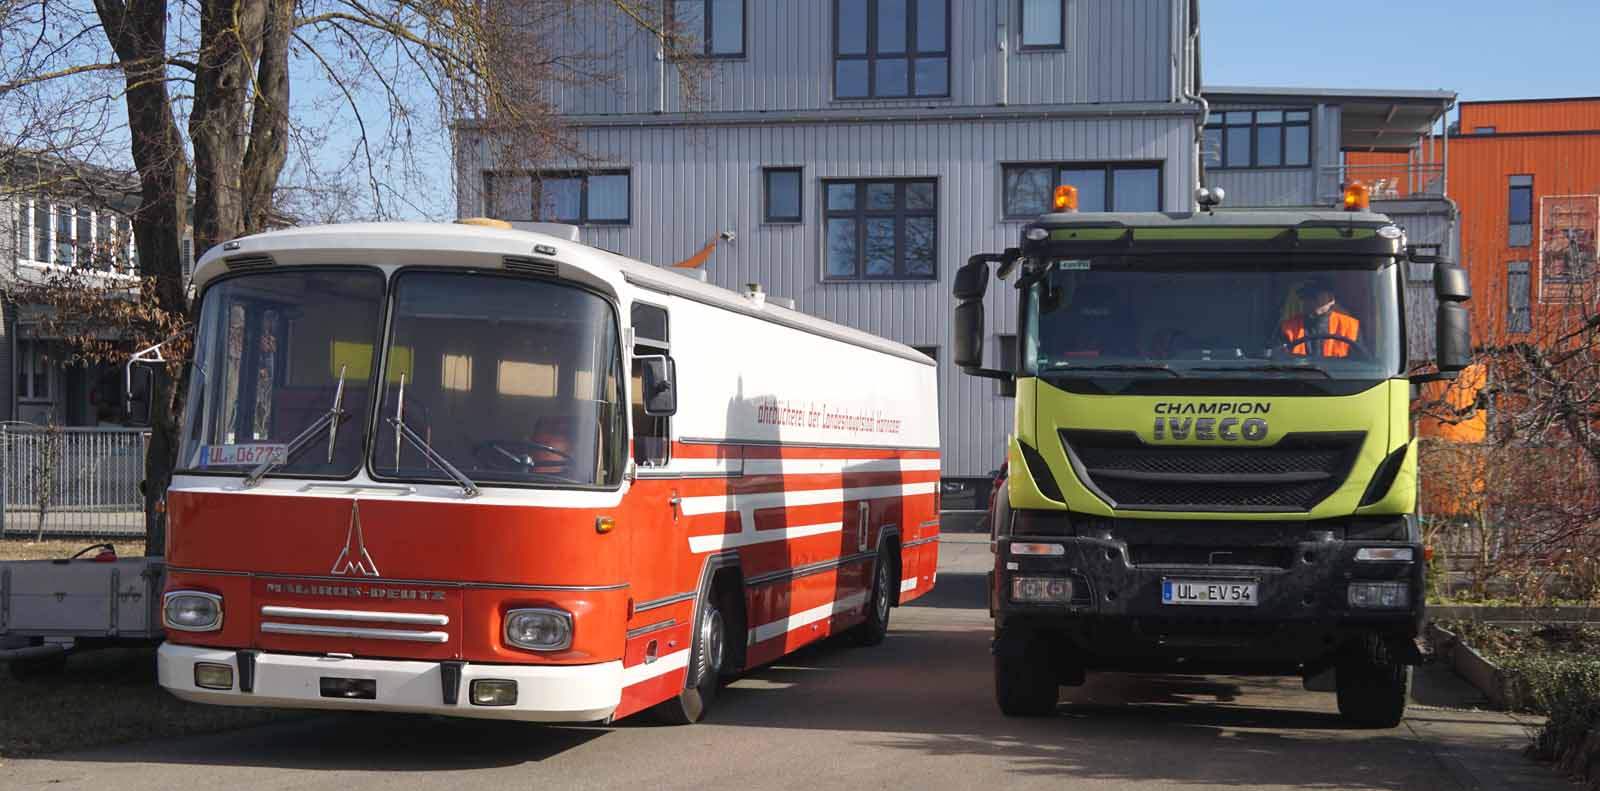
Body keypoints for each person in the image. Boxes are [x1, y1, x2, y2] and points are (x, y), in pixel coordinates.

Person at [1281, 280, 1360, 358]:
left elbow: (1360, 363)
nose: (1309, 301)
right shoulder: (1288, 327)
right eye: (1305, 297)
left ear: (1331, 299)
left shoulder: (1350, 327)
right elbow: (1279, 359)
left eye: (1314, 296)